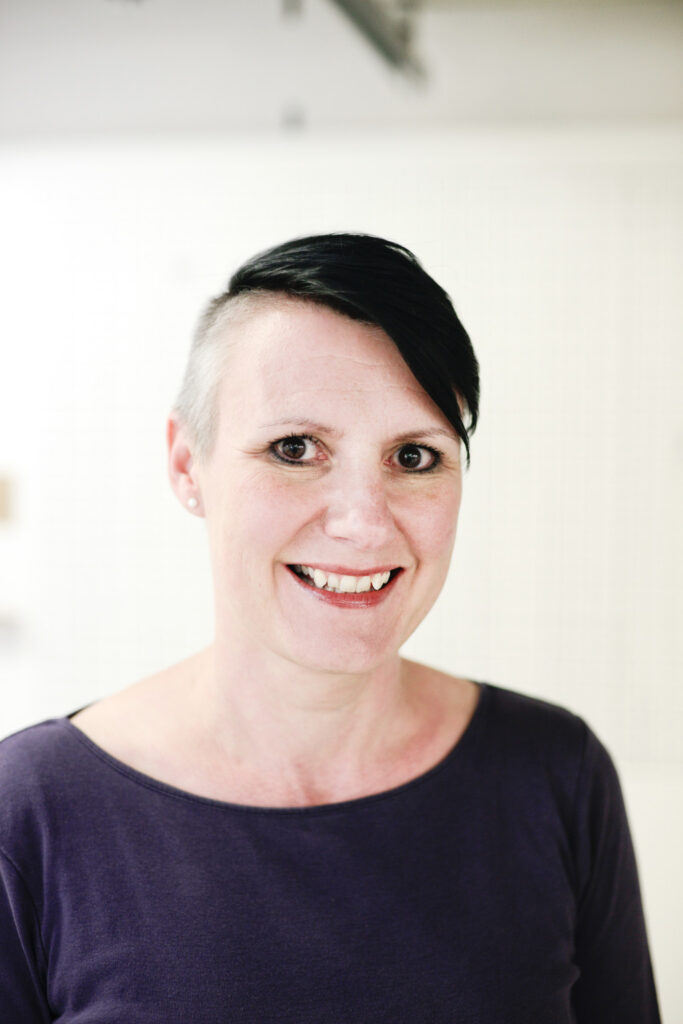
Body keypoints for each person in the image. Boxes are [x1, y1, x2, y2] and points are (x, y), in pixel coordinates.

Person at [0, 233, 660, 1022]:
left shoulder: (555, 776)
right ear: (187, 465)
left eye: (414, 457)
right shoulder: (30, 812)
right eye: (294, 448)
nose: (361, 524)